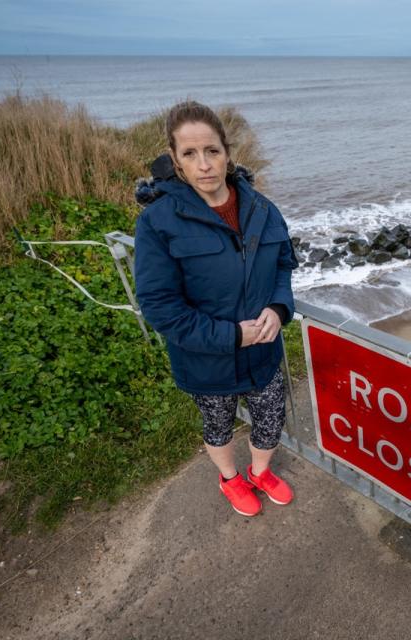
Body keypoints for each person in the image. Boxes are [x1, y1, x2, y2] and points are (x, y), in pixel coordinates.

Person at [133, 101, 297, 517]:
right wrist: (230, 336)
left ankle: (261, 472)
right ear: (174, 160)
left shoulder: (261, 208)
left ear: (227, 152)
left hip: (263, 350)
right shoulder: (158, 221)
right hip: (206, 359)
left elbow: (282, 265)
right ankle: (230, 480)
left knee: (270, 416)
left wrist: (279, 308)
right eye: (189, 154)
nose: (204, 164)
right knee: (218, 424)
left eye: (212, 151)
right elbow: (159, 305)